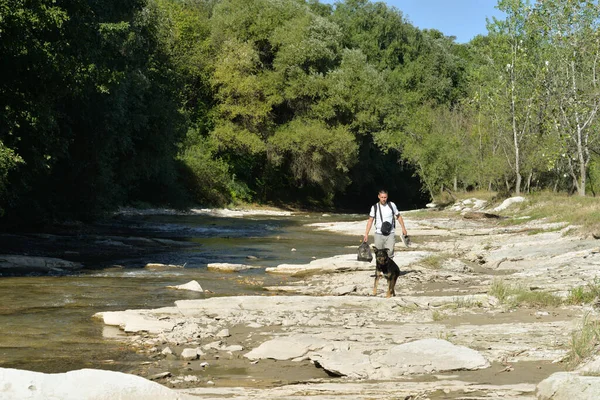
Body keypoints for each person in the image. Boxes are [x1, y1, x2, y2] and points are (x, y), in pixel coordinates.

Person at [363, 189, 407, 259]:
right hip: (378, 234)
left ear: (387, 197)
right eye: (382, 197)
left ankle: (389, 269)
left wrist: (403, 228)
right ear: (378, 197)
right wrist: (366, 234)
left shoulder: (392, 205)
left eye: (385, 197)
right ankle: (380, 269)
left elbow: (398, 216)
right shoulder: (374, 207)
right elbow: (370, 221)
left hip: (390, 233)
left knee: (390, 253)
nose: (383, 199)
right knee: (379, 254)